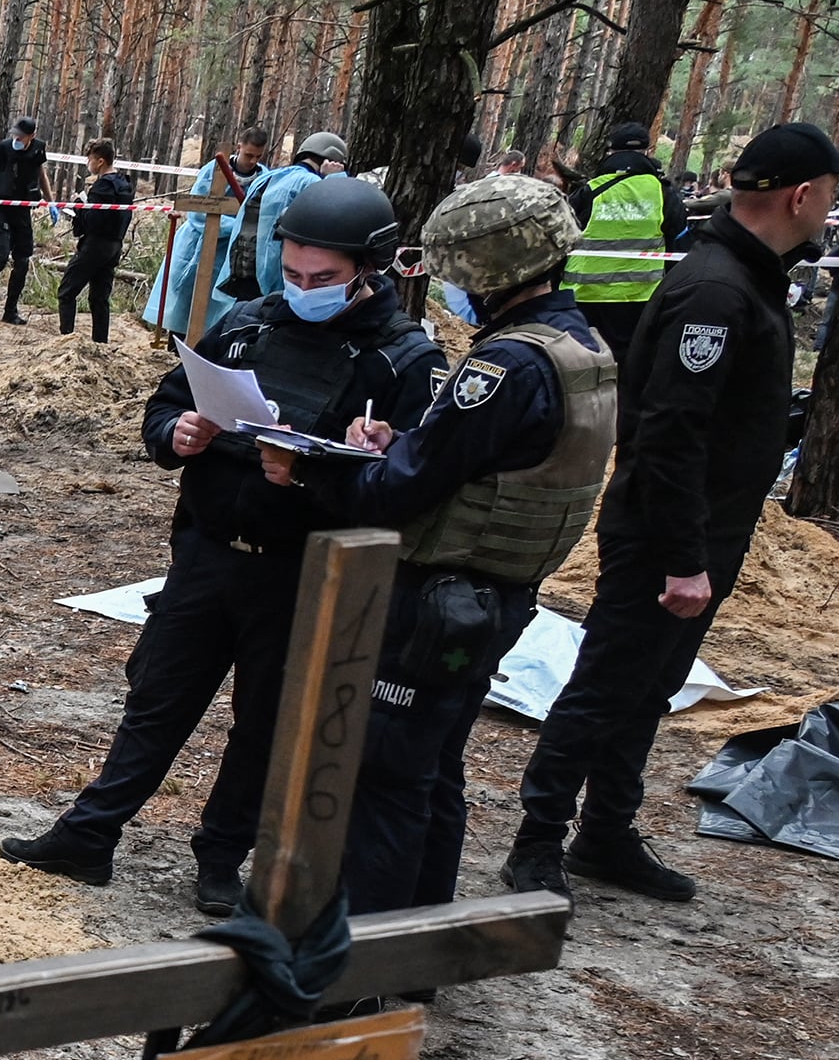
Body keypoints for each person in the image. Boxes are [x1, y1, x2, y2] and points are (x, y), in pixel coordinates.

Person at [2, 175, 439, 913]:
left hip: (302, 575)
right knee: (157, 700)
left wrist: (321, 472)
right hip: (207, 555)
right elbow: (170, 399)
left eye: (323, 279)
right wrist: (174, 432)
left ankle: (219, 858)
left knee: (262, 724)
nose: (304, 289)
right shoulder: (248, 323)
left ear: (370, 267)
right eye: (293, 273)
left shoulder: (403, 362)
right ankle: (89, 834)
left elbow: (407, 491)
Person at [501, 121, 839, 903]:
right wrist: (681, 558)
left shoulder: (748, 278)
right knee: (605, 687)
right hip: (667, 537)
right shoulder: (716, 288)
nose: (833, 205)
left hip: (706, 532)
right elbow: (668, 432)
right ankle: (537, 842)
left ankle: (604, 834)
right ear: (802, 195)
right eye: (831, 190)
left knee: (650, 687)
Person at [261, 174, 613, 914]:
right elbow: (478, 461)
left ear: (486, 269)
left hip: (439, 599)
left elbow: (400, 493)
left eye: (452, 270)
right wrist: (405, 439)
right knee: (432, 772)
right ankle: (417, 945)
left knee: (385, 778)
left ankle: (364, 964)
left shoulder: (504, 367)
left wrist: (309, 470)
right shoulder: (580, 349)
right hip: (495, 597)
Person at [565, 119, 689, 356]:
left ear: (610, 151)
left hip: (584, 298)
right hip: (640, 301)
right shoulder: (664, 193)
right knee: (630, 367)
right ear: (647, 151)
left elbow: (562, 240)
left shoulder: (590, 190)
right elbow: (681, 244)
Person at [141, 128, 264, 338]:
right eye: (248, 155)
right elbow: (199, 211)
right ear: (239, 147)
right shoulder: (215, 170)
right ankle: (176, 345)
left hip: (228, 254)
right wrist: (235, 226)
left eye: (258, 157)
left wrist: (240, 229)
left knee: (216, 307)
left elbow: (257, 215)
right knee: (185, 304)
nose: (252, 161)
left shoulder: (263, 178)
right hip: (196, 246)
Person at [220, 130, 344, 304]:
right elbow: (338, 213)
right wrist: (335, 178)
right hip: (272, 278)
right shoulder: (310, 183)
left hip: (242, 271)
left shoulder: (269, 176)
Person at [0, 118, 48, 325]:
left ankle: (10, 311)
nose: (16, 138)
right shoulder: (2, 149)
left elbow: (41, 174)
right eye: (14, 134)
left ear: (32, 136)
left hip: (21, 212)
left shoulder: (38, 150)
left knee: (22, 262)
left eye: (20, 136)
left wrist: (51, 201)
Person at [57, 139, 135, 342]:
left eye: (90, 159)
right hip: (114, 246)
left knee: (66, 292)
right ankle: (101, 343)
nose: (88, 163)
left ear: (100, 161)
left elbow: (93, 220)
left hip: (95, 246)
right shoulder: (124, 185)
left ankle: (66, 341)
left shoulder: (103, 187)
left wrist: (78, 207)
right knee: (99, 298)